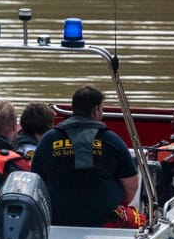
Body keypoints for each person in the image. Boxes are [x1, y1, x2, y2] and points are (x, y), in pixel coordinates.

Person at [31, 85, 142, 228]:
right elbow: (132, 185)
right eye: (102, 109)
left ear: (73, 108)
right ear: (96, 110)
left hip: (56, 218)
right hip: (104, 221)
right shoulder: (112, 140)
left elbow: (35, 181)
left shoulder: (48, 140)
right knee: (142, 220)